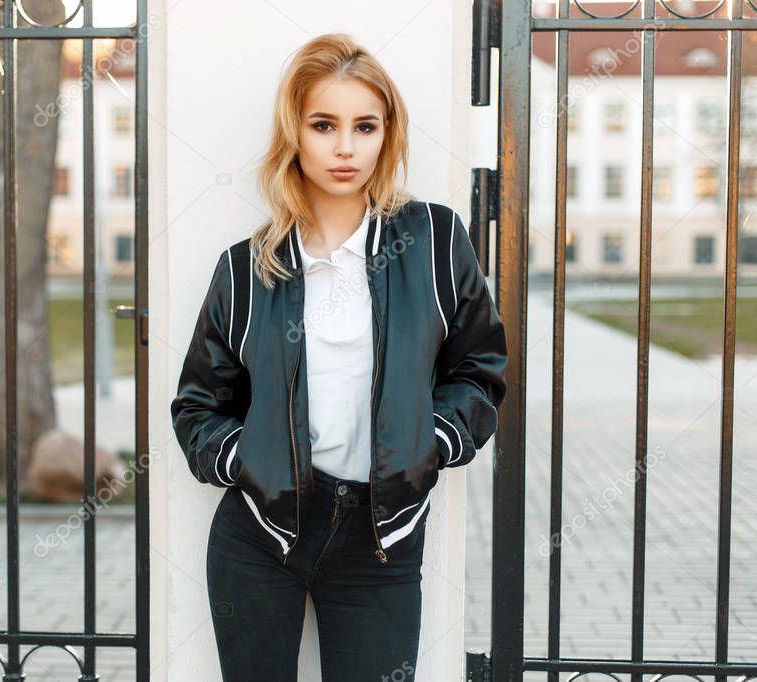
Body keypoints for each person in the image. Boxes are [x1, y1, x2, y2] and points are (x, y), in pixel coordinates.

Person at [170, 32, 507, 682]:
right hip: (260, 534)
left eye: (365, 126)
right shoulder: (246, 270)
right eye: (323, 124)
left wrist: (429, 441)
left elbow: (479, 370)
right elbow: (197, 405)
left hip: (381, 540)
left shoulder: (433, 241)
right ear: (294, 132)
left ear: (388, 133)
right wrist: (245, 459)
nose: (345, 147)